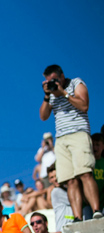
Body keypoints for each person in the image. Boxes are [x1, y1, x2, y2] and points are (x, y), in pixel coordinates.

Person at [40, 64, 102, 221]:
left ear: (62, 76)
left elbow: (84, 105)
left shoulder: (76, 83)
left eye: (54, 79)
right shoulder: (52, 93)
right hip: (61, 138)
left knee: (85, 173)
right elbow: (43, 116)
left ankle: (96, 210)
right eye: (48, 81)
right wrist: (47, 95)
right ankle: (77, 217)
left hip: (78, 133)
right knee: (70, 180)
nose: (52, 83)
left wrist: (64, 93)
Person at [91, 133, 104, 213]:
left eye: (97, 144)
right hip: (88, 204)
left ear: (103, 146)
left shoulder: (103, 162)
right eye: (93, 145)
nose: (95, 147)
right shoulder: (87, 162)